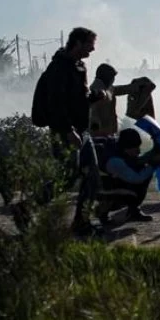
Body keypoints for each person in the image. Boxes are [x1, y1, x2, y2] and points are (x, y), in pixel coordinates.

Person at [33, 27, 109, 234]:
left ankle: (81, 222)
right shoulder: (58, 69)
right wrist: (68, 131)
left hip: (81, 131)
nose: (92, 50)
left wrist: (95, 96)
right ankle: (26, 208)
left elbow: (79, 99)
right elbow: (56, 104)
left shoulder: (79, 67)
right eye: (90, 45)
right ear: (77, 43)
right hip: (65, 132)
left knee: (91, 177)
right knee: (67, 177)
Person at [94, 128, 155, 225]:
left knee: (141, 169)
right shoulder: (115, 161)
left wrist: (151, 155)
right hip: (101, 188)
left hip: (109, 182)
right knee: (134, 192)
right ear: (127, 148)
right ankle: (103, 210)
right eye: (136, 148)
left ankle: (133, 211)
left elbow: (136, 161)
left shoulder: (119, 147)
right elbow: (136, 179)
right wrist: (153, 165)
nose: (139, 151)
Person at [88, 64, 135, 138]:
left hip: (109, 133)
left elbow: (121, 89)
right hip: (101, 136)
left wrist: (136, 86)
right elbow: (93, 114)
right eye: (112, 77)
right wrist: (98, 133)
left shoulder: (108, 88)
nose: (113, 80)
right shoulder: (96, 92)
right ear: (107, 77)